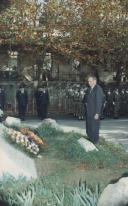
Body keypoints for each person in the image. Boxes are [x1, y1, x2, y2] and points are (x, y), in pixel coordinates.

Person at [83, 75, 104, 144]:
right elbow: (87, 99)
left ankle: (95, 141)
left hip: (94, 112)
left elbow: (99, 102)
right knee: (89, 126)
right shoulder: (89, 89)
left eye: (90, 81)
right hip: (89, 111)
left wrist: (97, 113)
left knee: (94, 127)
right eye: (88, 81)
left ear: (95, 81)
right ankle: (90, 138)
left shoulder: (98, 89)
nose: (89, 82)